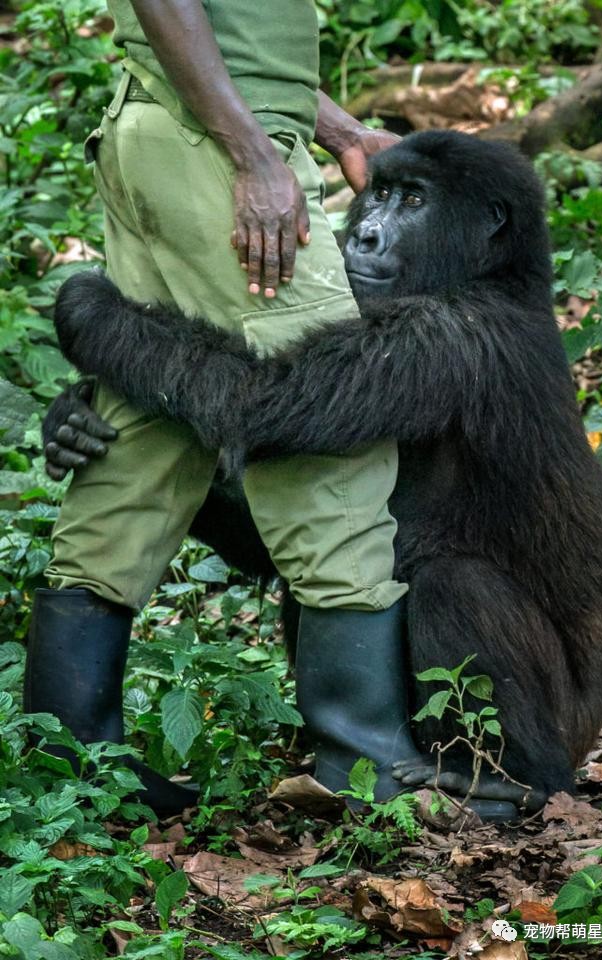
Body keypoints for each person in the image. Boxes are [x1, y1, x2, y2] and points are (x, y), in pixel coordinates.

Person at [25, 0, 423, 815]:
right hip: (214, 148)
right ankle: (366, 772)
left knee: (139, 437)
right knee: (333, 448)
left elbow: (239, 36)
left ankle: (73, 773)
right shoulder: (236, 151)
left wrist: (341, 133)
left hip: (158, 132)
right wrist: (251, 155)